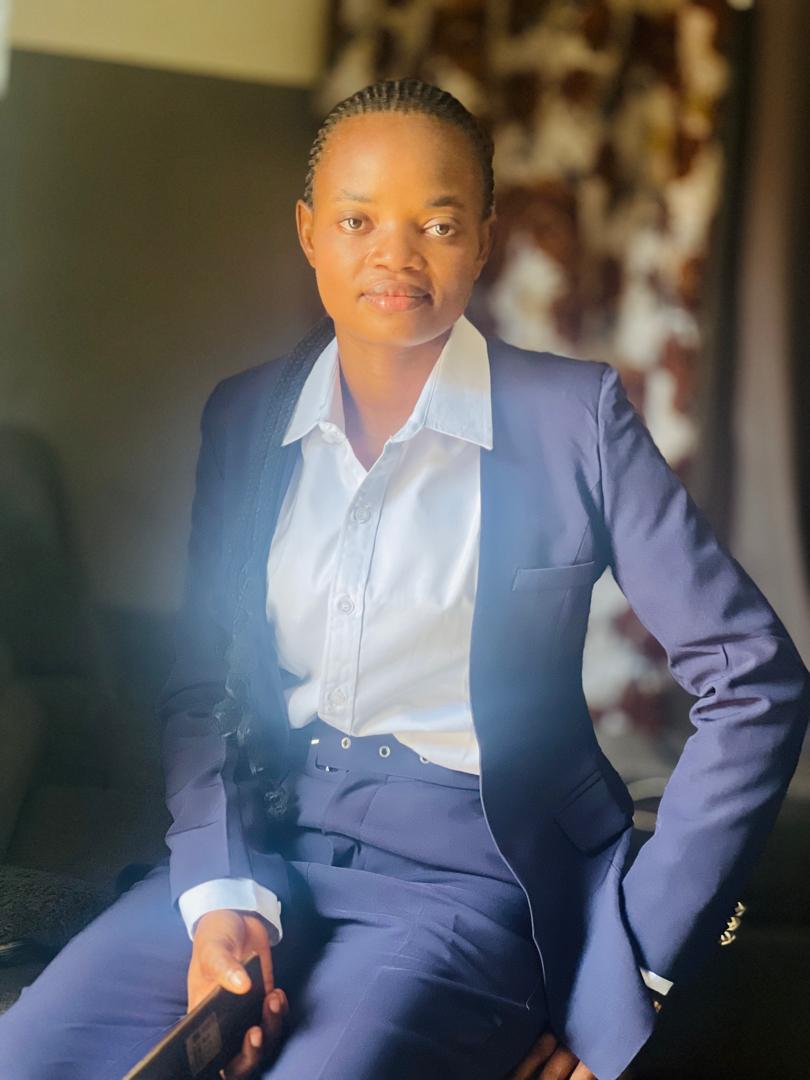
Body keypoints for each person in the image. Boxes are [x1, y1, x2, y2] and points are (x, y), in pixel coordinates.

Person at [0, 77, 807, 1080]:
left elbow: (755, 679)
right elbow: (205, 686)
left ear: (484, 239)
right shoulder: (244, 418)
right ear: (308, 231)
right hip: (264, 858)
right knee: (24, 1055)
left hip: (470, 882)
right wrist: (218, 895)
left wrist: (636, 964)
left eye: (438, 222)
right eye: (357, 220)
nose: (396, 253)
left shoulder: (573, 420)